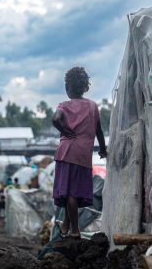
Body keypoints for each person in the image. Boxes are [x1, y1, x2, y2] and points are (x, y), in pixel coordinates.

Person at [52, 67, 107, 239]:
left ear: (68, 88)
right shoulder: (92, 106)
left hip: (65, 152)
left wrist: (65, 130)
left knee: (70, 193)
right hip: (83, 155)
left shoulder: (64, 105)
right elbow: (99, 131)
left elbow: (55, 119)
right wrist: (103, 150)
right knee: (73, 192)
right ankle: (67, 226)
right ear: (85, 87)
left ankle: (74, 230)